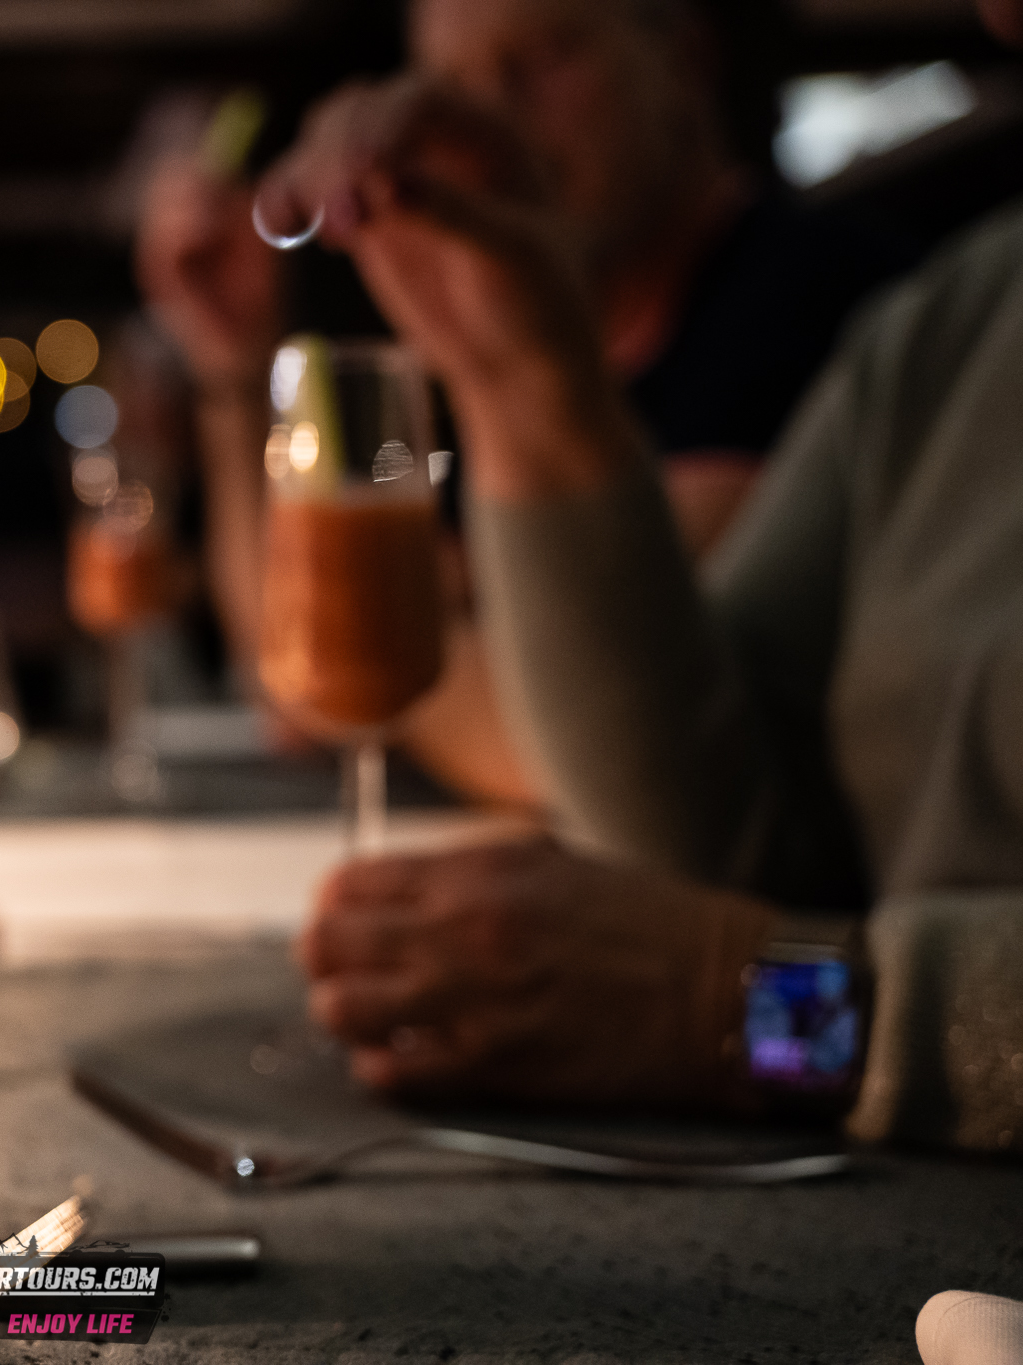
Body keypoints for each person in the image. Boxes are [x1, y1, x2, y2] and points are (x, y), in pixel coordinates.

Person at [263, 0, 1023, 1152]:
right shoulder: (951, 328)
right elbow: (706, 837)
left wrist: (741, 1007)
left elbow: (709, 968)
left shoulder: (815, 295)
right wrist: (519, 376)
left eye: (545, 54)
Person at [136, 0, 912, 806]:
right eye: (451, 85)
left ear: (685, 62)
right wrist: (234, 364)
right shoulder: (499, 344)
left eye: (541, 58)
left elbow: (596, 732)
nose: (490, 116)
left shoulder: (823, 310)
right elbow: (287, 655)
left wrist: (366, 651)